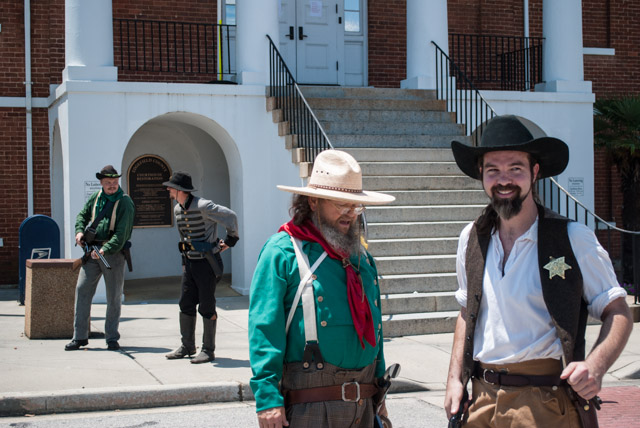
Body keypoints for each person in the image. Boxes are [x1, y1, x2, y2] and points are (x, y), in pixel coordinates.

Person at [444, 115, 633, 427]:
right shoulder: (471, 238)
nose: (503, 179)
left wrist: (596, 366)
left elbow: (619, 311)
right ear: (481, 175)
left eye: (515, 168)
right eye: (493, 170)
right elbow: (466, 312)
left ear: (534, 172)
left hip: (544, 404)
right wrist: (454, 379)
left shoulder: (573, 237)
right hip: (480, 401)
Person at [248, 149, 396, 428]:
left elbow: (375, 328)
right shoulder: (283, 252)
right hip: (309, 405)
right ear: (313, 201)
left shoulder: (362, 258)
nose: (350, 214)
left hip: (364, 401)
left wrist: (379, 390)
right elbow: (264, 330)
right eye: (341, 204)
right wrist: (268, 398)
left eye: (355, 206)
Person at [164, 171, 239, 364]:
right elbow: (183, 238)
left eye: (170, 187)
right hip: (190, 263)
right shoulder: (177, 209)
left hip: (207, 264)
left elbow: (230, 216)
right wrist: (184, 264)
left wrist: (230, 241)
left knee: (206, 306)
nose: (168, 190)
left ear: (180, 190)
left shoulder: (203, 206)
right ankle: (187, 346)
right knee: (185, 303)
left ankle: (208, 350)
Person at [65, 165, 135, 351]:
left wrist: (105, 250)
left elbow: (122, 234)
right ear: (101, 183)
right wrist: (79, 232)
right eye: (108, 183)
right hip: (92, 252)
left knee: (113, 296)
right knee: (82, 290)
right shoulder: (95, 198)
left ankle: (112, 337)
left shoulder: (125, 202)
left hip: (112, 254)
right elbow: (82, 215)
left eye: (114, 182)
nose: (112, 185)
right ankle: (79, 337)